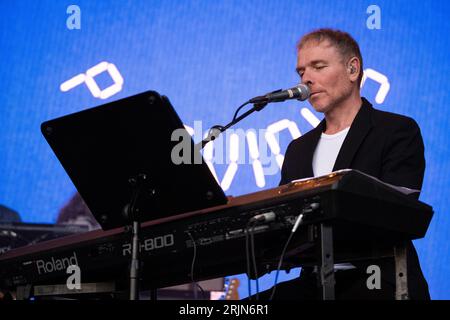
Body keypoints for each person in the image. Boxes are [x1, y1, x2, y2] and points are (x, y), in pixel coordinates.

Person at [253, 28, 430, 300]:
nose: (307, 79)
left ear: (353, 69)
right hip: (315, 283)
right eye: (301, 72)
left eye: (318, 67)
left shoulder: (396, 131)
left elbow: (397, 215)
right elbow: (284, 225)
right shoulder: (297, 149)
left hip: (376, 280)